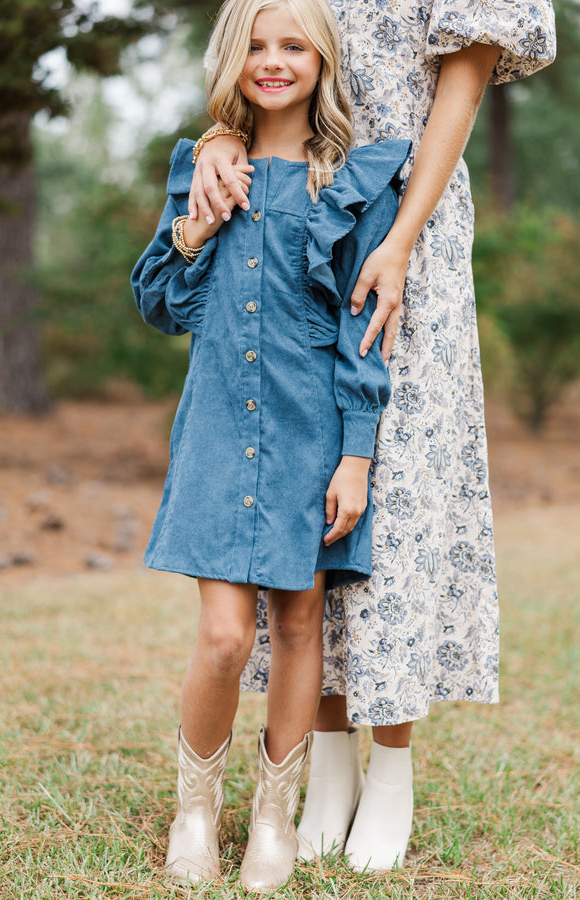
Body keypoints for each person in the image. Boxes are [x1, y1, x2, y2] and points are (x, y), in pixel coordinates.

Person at [189, 0, 557, 874]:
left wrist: (399, 239)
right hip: (298, 202)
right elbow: (263, 52)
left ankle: (389, 765)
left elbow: (459, 87)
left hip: (404, 228)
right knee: (305, 499)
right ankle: (329, 765)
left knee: (385, 503)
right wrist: (218, 139)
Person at [132, 0, 410, 890]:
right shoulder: (203, 169)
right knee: (222, 637)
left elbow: (366, 329)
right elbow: (159, 306)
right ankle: (194, 814)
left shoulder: (355, 184)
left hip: (310, 434)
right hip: (218, 429)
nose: (274, 60)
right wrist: (197, 226)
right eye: (256, 44)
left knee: (298, 628)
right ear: (232, 57)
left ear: (322, 62)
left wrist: (357, 456)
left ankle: (273, 822)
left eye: (293, 44)